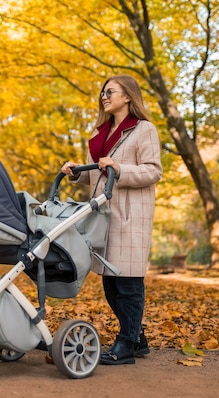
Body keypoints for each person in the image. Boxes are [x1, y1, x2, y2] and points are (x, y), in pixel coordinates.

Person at [61, 74, 163, 365]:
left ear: (128, 96)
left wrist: (120, 168)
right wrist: (77, 171)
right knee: (110, 284)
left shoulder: (144, 130)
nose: (104, 97)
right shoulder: (103, 133)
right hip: (103, 218)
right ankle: (138, 338)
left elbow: (153, 171)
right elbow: (98, 175)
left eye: (110, 92)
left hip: (130, 215)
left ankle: (128, 342)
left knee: (128, 284)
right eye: (103, 93)